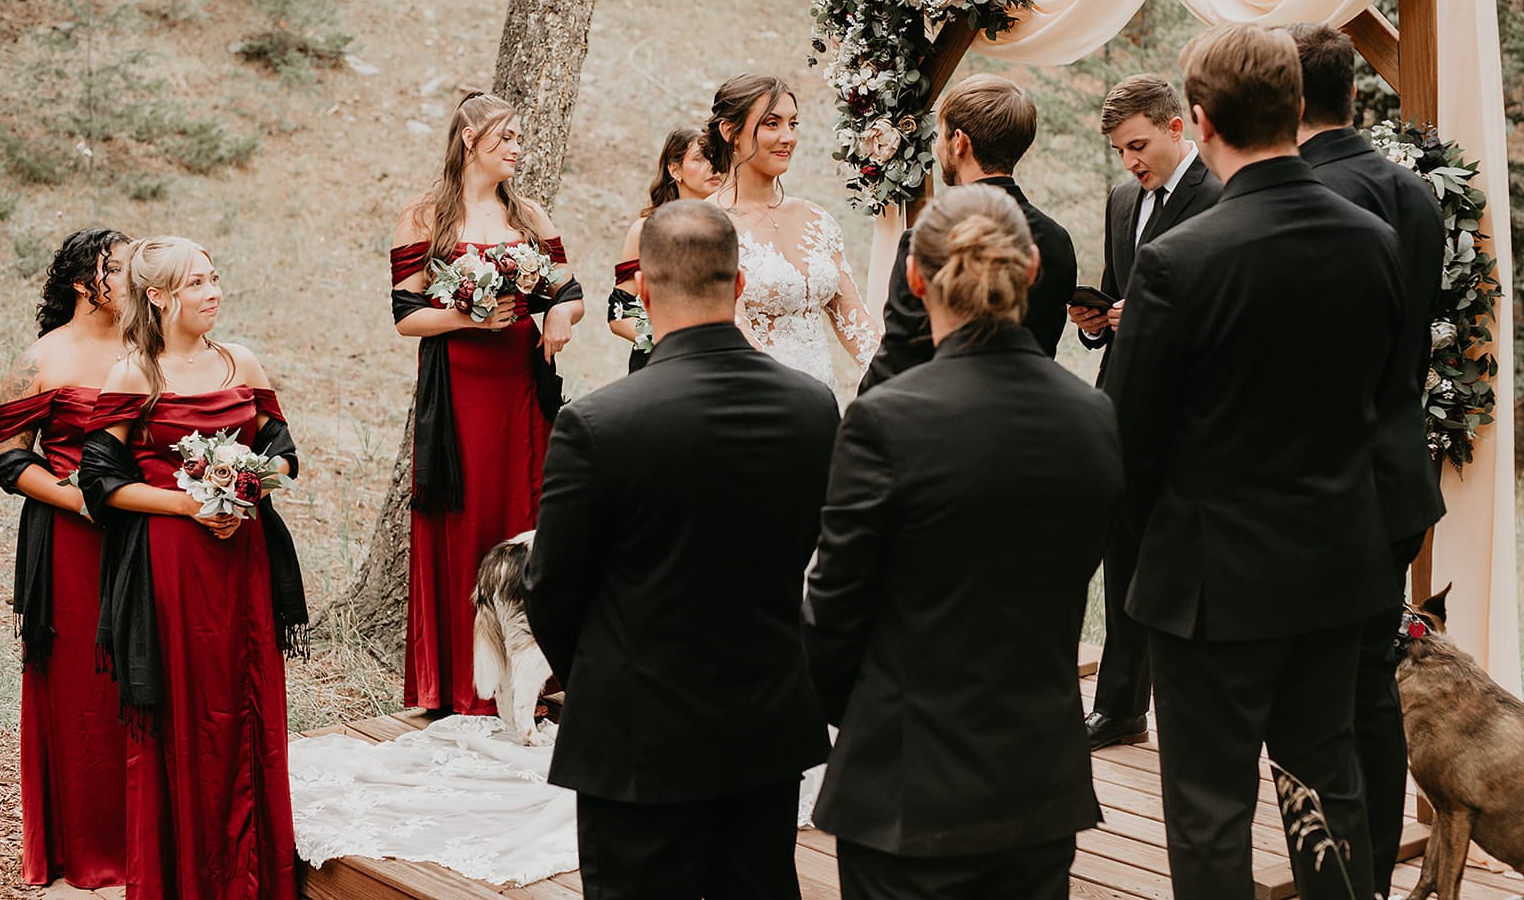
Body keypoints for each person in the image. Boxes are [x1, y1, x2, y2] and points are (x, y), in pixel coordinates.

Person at [1105, 23, 1400, 900]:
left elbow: (1131, 443)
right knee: (1327, 792)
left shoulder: (1176, 262)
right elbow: (1384, 401)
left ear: (1198, 121)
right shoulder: (1372, 239)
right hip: (1335, 566)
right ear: (1298, 106)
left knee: (1211, 809)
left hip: (1211, 588)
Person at [804, 184, 1122, 900]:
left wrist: (864, 711)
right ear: (1033, 268)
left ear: (916, 280)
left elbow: (834, 614)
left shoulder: (885, 421)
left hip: (906, 785)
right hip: (1039, 782)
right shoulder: (1092, 415)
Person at [524, 200, 838, 900]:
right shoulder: (813, 407)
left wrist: (608, 676)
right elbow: (814, 552)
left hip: (637, 736)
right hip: (764, 725)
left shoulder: (598, 424)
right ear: (741, 284)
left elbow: (551, 590)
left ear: (641, 288)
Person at [78, 236, 308, 899]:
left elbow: (283, 450)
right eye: (197, 284)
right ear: (157, 296)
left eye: (215, 278)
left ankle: (255, 874)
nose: (214, 293)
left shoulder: (241, 362)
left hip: (244, 558)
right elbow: (100, 481)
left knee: (249, 701)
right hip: (172, 566)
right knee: (187, 712)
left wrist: (246, 485)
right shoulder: (134, 375)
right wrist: (187, 503)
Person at [1290, 20, 1447, 898]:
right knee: (1372, 682)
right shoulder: (1414, 193)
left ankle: (1337, 874)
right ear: (1354, 91)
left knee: (1313, 695)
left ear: (1288, 98)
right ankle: (1376, 872)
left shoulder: (1299, 196)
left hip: (1321, 486)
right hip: (1396, 472)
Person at [391, 90, 584, 714]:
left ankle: (532, 678)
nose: (517, 148)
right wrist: (467, 317)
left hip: (521, 387)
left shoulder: (527, 215)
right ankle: (457, 683)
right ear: (470, 139)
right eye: (506, 138)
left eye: (520, 137)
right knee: (465, 515)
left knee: (522, 512)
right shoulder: (425, 217)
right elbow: (406, 316)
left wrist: (560, 316)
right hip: (459, 393)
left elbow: (570, 291)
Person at [1069, 74, 1222, 752]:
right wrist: (1096, 322)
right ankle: (1120, 706)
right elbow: (1119, 293)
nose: (1130, 161)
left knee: (1188, 565)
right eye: (1119, 150)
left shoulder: (1219, 195)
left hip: (1192, 413)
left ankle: (1196, 713)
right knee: (1122, 553)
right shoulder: (1121, 200)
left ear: (1175, 127)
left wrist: (1154, 317)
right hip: (1121, 404)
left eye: (1138, 145)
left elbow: (1224, 309)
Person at [0, 228, 130, 889]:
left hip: (145, 533)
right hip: (72, 539)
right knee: (84, 687)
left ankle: (150, 834)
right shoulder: (41, 358)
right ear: (84, 282)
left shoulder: (150, 348)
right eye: (119, 269)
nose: (134, 280)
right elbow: (10, 461)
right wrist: (78, 499)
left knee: (143, 678)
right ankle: (85, 845)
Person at [859, 74, 1076, 392]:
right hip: (1033, 411)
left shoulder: (929, 240)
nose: (938, 147)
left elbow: (898, 360)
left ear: (959, 142)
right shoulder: (1057, 240)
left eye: (940, 135)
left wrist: (864, 406)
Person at [706, 73, 879, 391]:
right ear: (730, 132)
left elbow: (852, 316)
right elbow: (735, 332)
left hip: (822, 402)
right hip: (756, 397)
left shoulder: (816, 219)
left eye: (793, 124)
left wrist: (898, 374)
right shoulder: (707, 224)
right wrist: (795, 401)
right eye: (772, 124)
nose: (788, 137)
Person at [608, 127, 722, 372]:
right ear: (675, 170)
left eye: (716, 158)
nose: (713, 167)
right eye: (699, 159)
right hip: (660, 363)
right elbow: (619, 315)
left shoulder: (735, 228)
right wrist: (671, 344)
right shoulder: (645, 230)